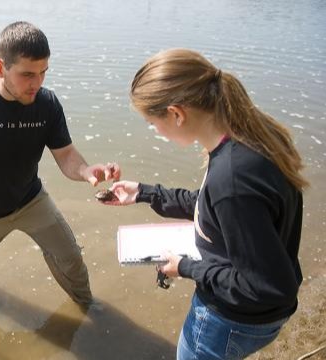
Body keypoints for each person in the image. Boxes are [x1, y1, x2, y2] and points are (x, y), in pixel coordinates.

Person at [101, 48, 308, 359]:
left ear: (176, 114)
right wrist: (144, 193)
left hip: (229, 321)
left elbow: (268, 286)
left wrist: (185, 267)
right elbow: (215, 207)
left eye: (152, 122)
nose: (154, 130)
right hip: (258, 317)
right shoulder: (248, 141)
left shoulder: (232, 178)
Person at [0, 21, 120, 307]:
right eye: (27, 74)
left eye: (43, 73)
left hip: (31, 201)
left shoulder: (47, 103)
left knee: (70, 257)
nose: (37, 83)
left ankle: (88, 309)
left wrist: (87, 171)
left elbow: (66, 155)